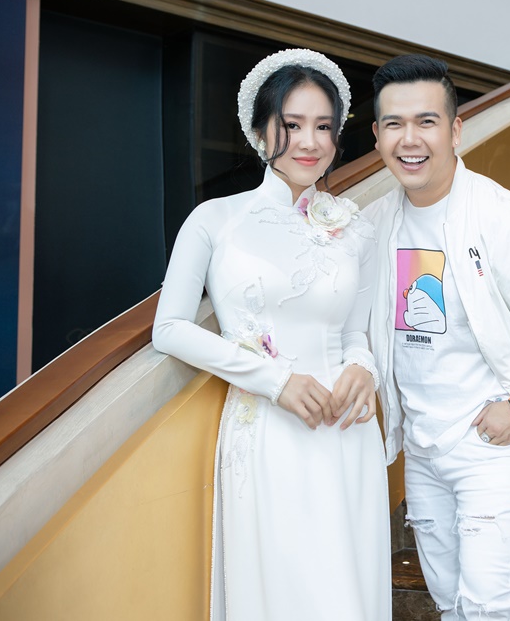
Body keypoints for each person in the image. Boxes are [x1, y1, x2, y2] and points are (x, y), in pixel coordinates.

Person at [152, 49, 390, 620]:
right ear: (260, 132)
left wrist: (365, 369)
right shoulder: (214, 220)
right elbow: (170, 328)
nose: (309, 141)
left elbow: (356, 331)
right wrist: (276, 380)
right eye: (292, 125)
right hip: (269, 428)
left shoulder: (355, 230)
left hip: (347, 430)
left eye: (324, 127)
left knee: (348, 590)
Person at [365, 54, 510, 620]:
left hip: (495, 443)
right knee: (452, 603)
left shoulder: (498, 214)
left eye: (426, 121)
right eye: (394, 124)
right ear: (376, 136)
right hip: (423, 447)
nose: (410, 139)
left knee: (493, 601)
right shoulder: (376, 224)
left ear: (455, 130)